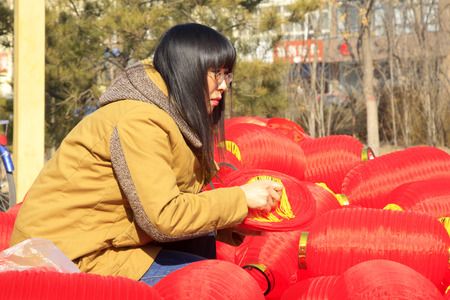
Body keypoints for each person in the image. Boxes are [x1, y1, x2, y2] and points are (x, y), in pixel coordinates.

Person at [10, 23, 283, 285]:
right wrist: (240, 198)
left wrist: (235, 221)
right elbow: (164, 217)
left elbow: (177, 202)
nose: (224, 86)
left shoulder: (167, 114)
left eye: (228, 74)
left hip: (101, 242)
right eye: (216, 73)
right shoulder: (141, 121)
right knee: (216, 282)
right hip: (63, 257)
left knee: (201, 244)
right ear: (187, 71)